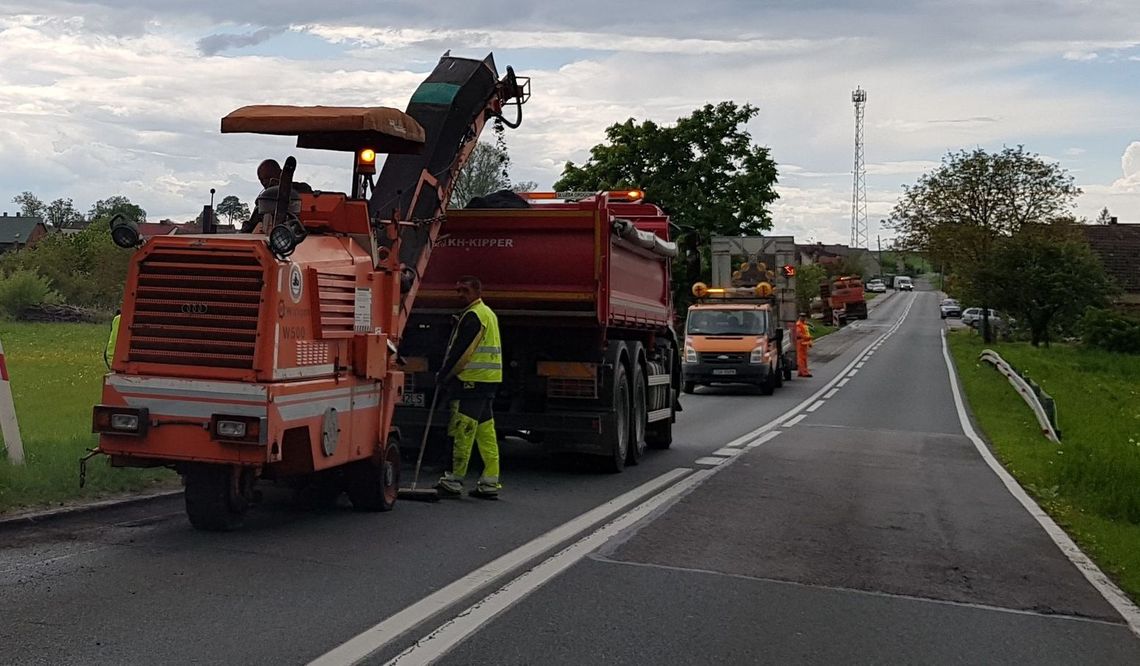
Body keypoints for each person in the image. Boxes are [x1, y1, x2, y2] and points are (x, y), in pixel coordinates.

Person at [435, 276, 503, 499]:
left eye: (464, 290)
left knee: (463, 429)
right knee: (486, 432)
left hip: (472, 381)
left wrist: (444, 376)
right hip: (489, 380)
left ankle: (454, 480)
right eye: (458, 290)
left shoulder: (474, 316)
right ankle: (490, 482)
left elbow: (462, 353)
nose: (460, 294)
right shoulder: (487, 313)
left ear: (476, 290)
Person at [795, 312, 813, 378]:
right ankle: (804, 372)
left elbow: (807, 333)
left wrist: (810, 342)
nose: (803, 318)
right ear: (799, 317)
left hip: (804, 343)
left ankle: (800, 372)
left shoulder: (804, 324)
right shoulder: (798, 325)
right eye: (802, 317)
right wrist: (808, 338)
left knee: (803, 358)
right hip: (800, 343)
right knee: (801, 359)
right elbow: (799, 334)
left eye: (804, 317)